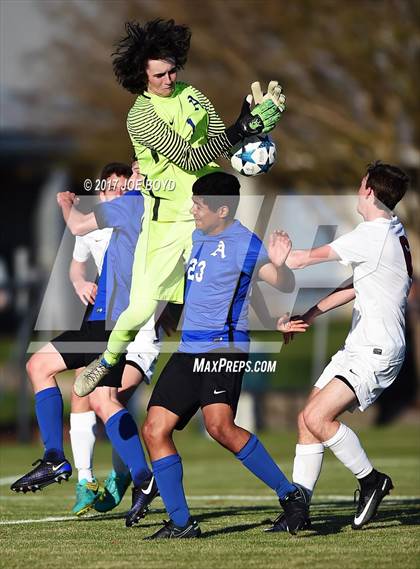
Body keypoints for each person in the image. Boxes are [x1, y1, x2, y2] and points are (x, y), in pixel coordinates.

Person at [74, 18, 286, 396]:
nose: (169, 79)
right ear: (142, 76)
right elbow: (189, 160)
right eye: (160, 74)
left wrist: (249, 123)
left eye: (173, 70)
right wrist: (242, 126)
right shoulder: (140, 116)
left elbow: (221, 144)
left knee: (229, 280)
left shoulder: (193, 94)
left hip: (206, 216)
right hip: (166, 222)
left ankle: (267, 329)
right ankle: (108, 359)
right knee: (140, 310)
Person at [140, 172, 309, 539]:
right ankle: (182, 524)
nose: (193, 209)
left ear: (221, 209)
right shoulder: (196, 234)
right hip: (188, 349)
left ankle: (291, 496)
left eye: (199, 205)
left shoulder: (244, 242)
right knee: (154, 429)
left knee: (219, 428)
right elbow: (237, 288)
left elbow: (278, 282)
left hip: (223, 348)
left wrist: (278, 265)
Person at [11, 163, 160, 527]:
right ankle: (143, 477)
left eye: (141, 167)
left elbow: (78, 224)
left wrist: (65, 203)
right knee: (102, 399)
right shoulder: (153, 211)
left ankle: (55, 458)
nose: (137, 170)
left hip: (110, 321)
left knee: (38, 366)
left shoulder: (133, 204)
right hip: (112, 320)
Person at [269, 162, 412, 531]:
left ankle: (371, 481)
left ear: (368, 191)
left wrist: (279, 255)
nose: (357, 187)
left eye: (360, 181)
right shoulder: (391, 230)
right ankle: (298, 511)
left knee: (319, 418)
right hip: (361, 344)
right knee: (306, 420)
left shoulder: (373, 234)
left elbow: (301, 260)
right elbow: (353, 286)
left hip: (376, 348)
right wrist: (311, 314)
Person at [68, 162, 160, 516]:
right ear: (104, 188)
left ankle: (129, 474)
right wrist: (79, 282)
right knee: (87, 392)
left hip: (141, 332)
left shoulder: (143, 214)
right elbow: (77, 264)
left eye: (131, 180)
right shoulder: (95, 223)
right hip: (109, 326)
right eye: (117, 184)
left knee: (109, 398)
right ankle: (86, 480)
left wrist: (167, 309)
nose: (123, 188)